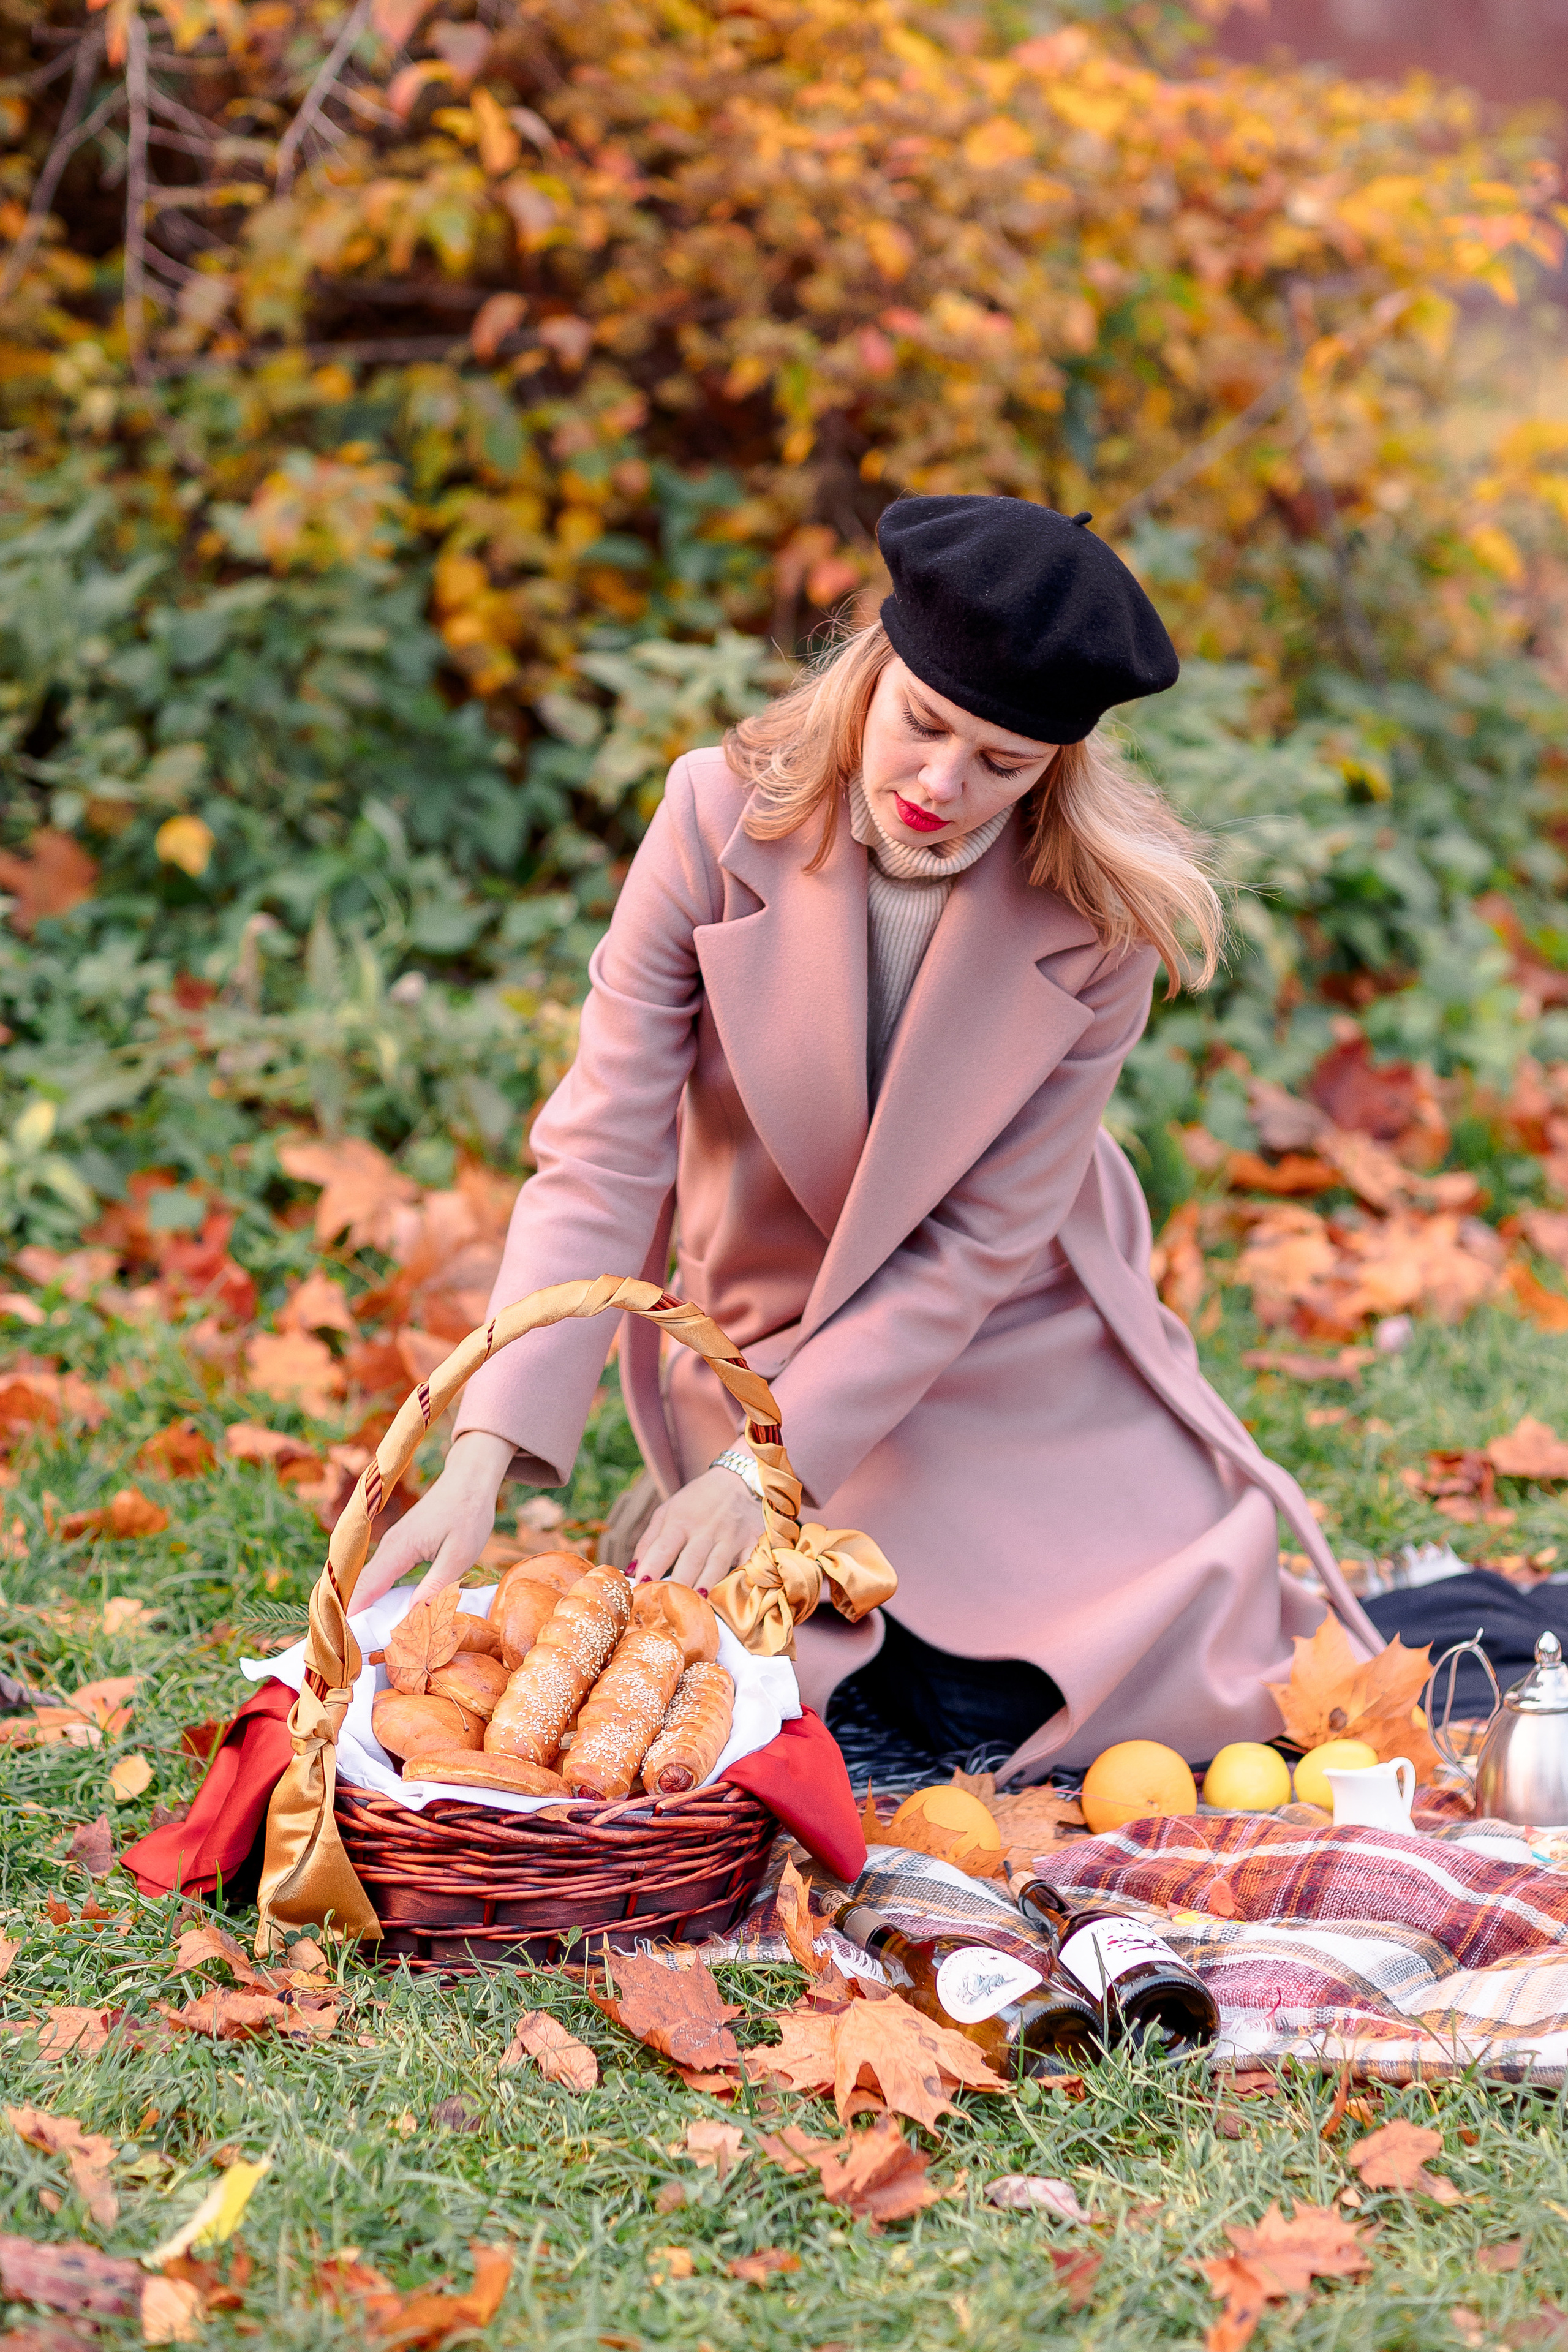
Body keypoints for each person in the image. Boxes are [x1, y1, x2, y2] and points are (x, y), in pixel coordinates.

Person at [358, 494, 1378, 1779]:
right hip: (769, 1315)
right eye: (924, 725)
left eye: (1000, 765)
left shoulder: (1101, 933)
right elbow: (604, 1151)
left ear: (1054, 767)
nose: (941, 787)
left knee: (1060, 1694)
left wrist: (758, 1469)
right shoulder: (706, 819)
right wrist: (484, 1451)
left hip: (1013, 1332)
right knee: (823, 1684)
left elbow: (967, 1255)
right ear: (871, 674)